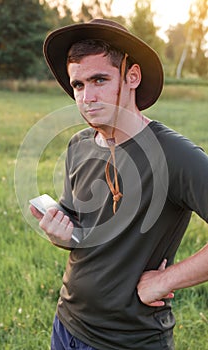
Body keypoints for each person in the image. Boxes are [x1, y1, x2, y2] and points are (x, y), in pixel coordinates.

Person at [30, 18, 208, 350]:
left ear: (132, 77)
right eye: (79, 85)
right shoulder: (79, 145)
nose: (86, 97)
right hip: (67, 324)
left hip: (129, 340)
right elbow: (81, 230)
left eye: (99, 79)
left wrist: (165, 281)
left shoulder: (173, 155)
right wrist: (60, 234)